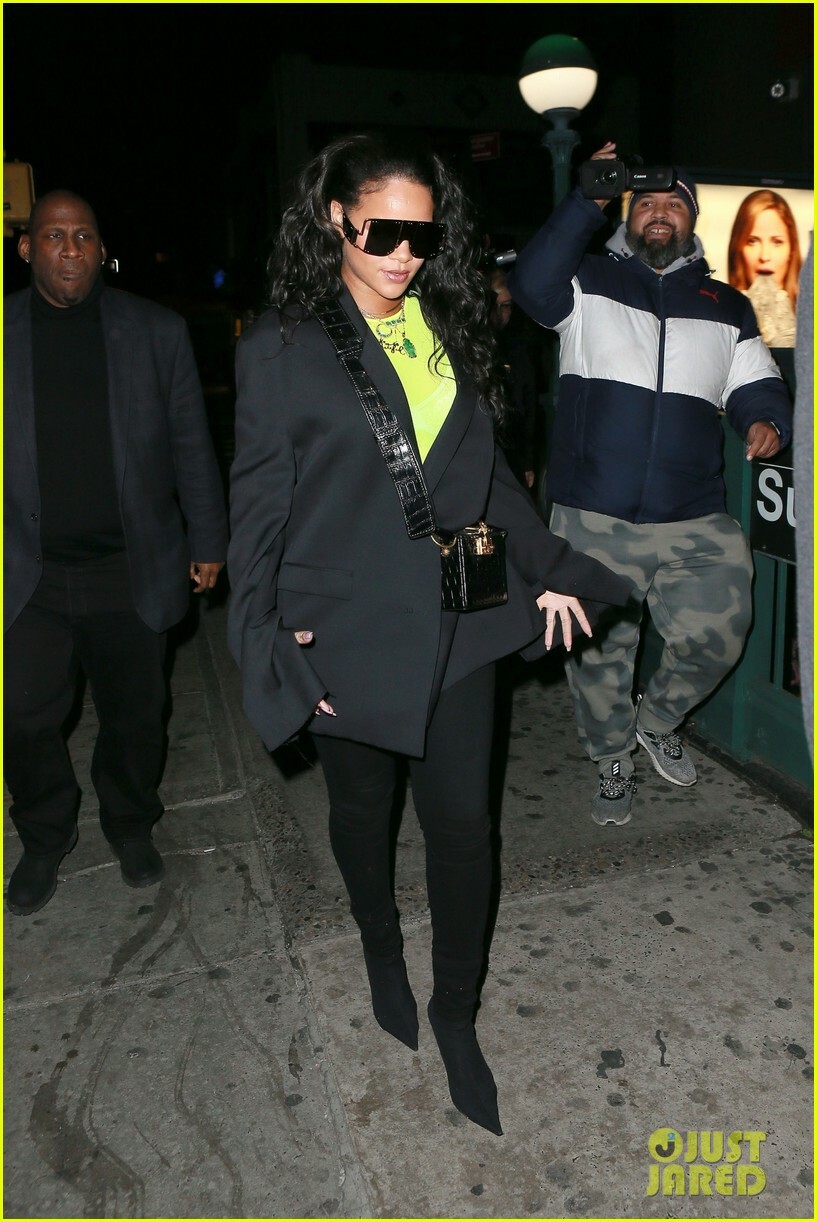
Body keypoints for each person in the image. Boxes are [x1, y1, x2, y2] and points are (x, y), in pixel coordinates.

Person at [226, 132, 630, 1136]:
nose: (405, 253)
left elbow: (486, 480)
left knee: (463, 828)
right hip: (345, 631)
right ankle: (377, 943)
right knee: (362, 816)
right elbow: (258, 516)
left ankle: (455, 1011)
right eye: (383, 232)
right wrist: (267, 644)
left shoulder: (450, 324)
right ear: (336, 220)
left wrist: (549, 566)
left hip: (462, 621)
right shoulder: (280, 347)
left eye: (423, 233)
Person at [509, 141, 793, 827]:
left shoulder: (727, 305)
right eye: (646, 203)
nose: (660, 212)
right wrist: (586, 199)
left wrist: (767, 421)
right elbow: (529, 285)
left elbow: (756, 383)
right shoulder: (584, 281)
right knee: (598, 653)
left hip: (693, 512)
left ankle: (657, 720)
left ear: (692, 219)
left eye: (674, 203)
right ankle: (611, 757)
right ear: (627, 214)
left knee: (720, 630)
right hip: (593, 513)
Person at [4, 190, 228, 917]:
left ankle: (130, 823)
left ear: (101, 249)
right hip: (27, 571)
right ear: (26, 248)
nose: (70, 248)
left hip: (130, 567)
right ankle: (45, 834)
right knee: (22, 719)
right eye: (54, 236)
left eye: (84, 236)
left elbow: (192, 441)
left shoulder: (155, 331)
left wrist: (208, 538)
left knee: (135, 717)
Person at [727, 189, 802, 348]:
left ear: (791, 250)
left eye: (777, 242)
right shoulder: (717, 315)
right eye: (752, 241)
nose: (765, 255)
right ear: (738, 248)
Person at [488, 267, 541, 492]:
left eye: (506, 306)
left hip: (512, 454)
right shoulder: (469, 343)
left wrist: (528, 462)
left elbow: (529, 405)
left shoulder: (519, 346)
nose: (501, 313)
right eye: (495, 305)